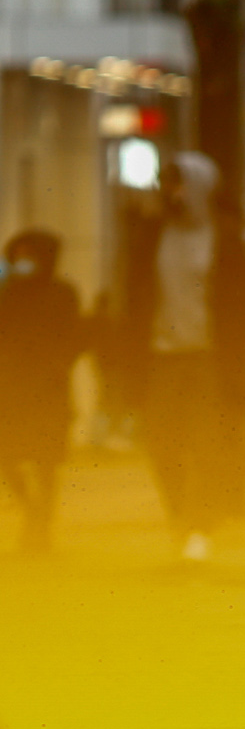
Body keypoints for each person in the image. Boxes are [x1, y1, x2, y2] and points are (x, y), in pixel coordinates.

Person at [126, 151, 245, 562]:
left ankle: (200, 523)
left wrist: (238, 360)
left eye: (180, 183)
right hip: (160, 355)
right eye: (167, 183)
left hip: (208, 357)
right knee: (161, 442)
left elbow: (241, 306)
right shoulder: (151, 236)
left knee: (206, 443)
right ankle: (180, 513)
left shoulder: (226, 242)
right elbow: (134, 297)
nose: (172, 192)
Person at [0, 231, 86, 551]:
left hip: (49, 388)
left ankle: (42, 523)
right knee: (6, 454)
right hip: (11, 386)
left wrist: (59, 363)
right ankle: (32, 510)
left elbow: (73, 334)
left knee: (46, 460)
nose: (23, 262)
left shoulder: (62, 293)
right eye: (18, 255)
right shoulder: (8, 293)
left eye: (29, 255)